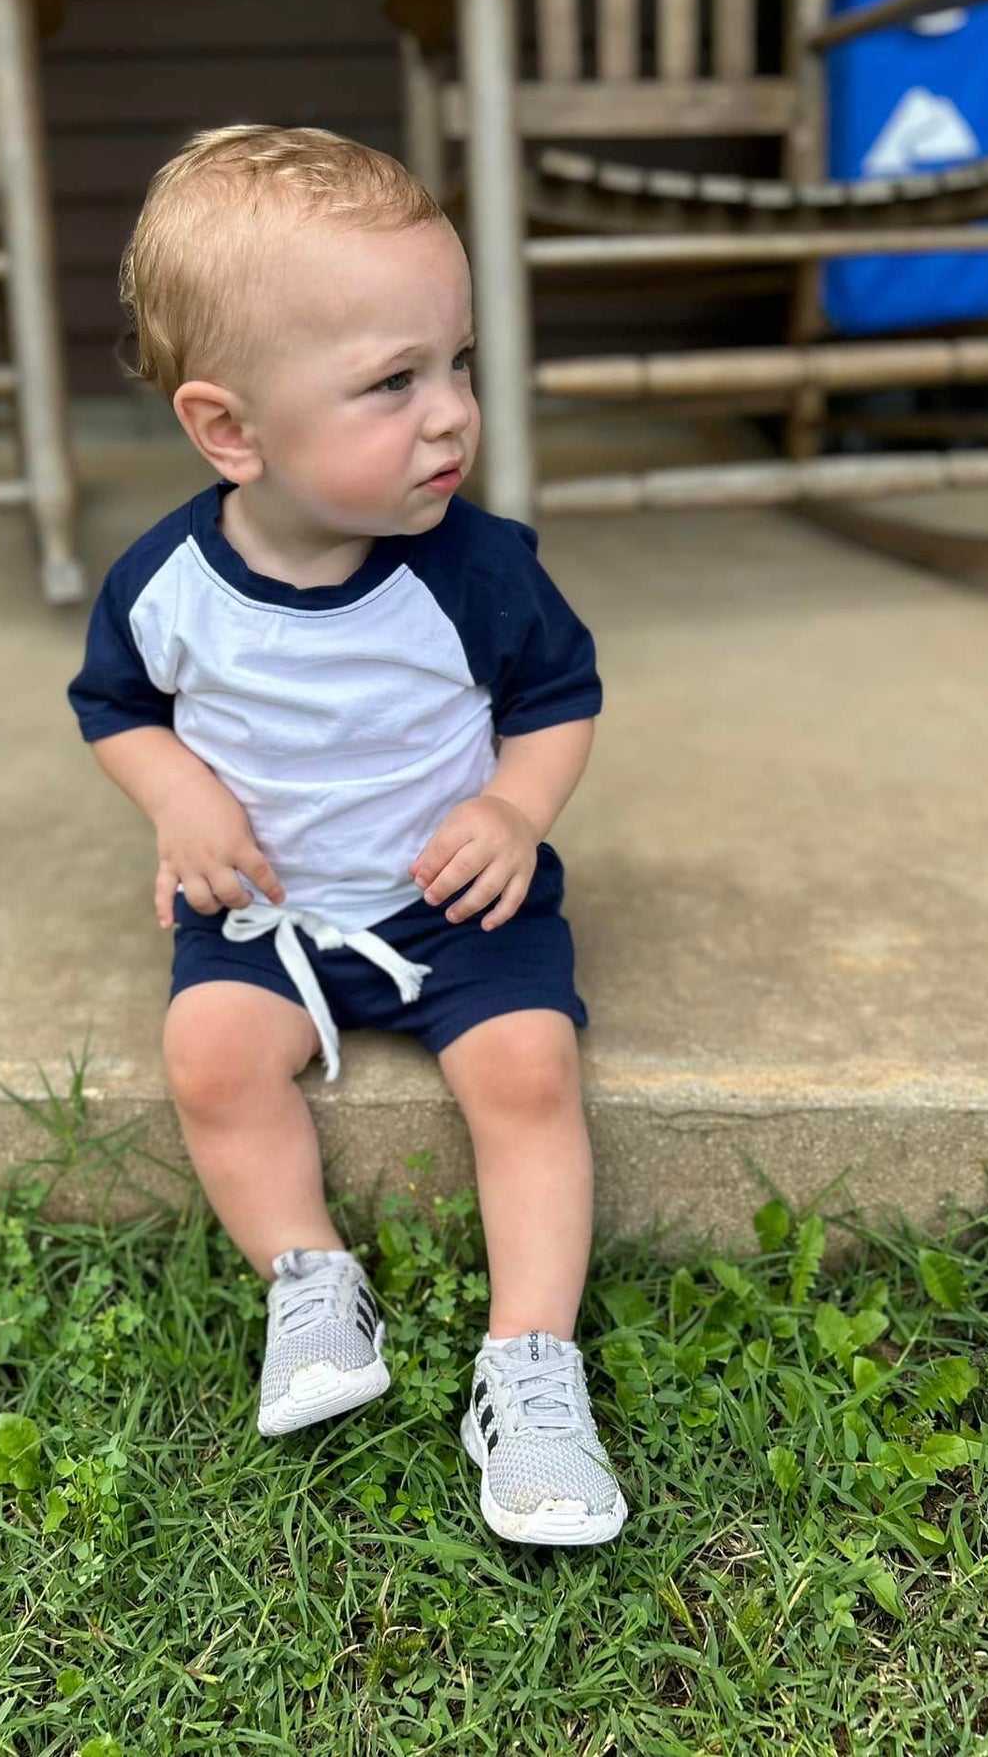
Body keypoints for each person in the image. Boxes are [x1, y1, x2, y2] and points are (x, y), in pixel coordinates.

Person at [68, 125, 625, 1547]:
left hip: (454, 904)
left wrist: (513, 806)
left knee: (528, 1070)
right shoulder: (165, 588)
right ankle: (308, 1284)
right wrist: (178, 797)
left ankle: (530, 1368)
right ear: (230, 430)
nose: (450, 416)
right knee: (208, 1057)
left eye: (456, 364)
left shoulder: (475, 569)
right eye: (392, 382)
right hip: (268, 910)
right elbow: (116, 709)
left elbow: (558, 697)